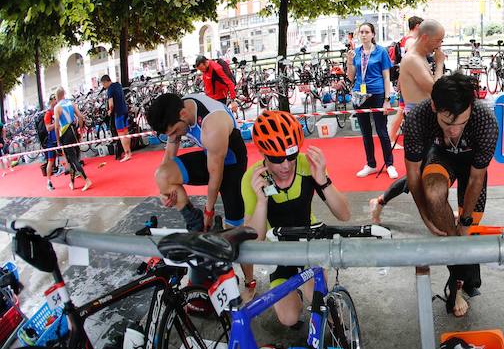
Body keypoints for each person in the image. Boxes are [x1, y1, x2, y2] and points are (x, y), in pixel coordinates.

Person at [403, 73, 499, 317]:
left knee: (467, 231)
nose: (455, 131)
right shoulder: (418, 117)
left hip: (471, 167)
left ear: (472, 108)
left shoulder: (485, 120)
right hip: (440, 156)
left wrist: (465, 221)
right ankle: (460, 278)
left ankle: (457, 281)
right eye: (447, 123)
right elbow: (413, 174)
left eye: (461, 123)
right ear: (435, 107)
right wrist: (425, 214)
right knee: (434, 196)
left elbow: (477, 178)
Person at [242, 111, 350, 326]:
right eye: (276, 159)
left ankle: (306, 291)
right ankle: (295, 295)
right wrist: (261, 202)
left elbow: (345, 214)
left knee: (320, 299)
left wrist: (323, 180)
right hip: (279, 251)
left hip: (308, 243)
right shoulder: (252, 179)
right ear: (263, 153)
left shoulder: (306, 164)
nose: (286, 166)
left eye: (291, 156)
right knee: (289, 318)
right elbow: (254, 242)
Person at [146, 92, 254, 296]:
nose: (175, 137)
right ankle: (194, 222)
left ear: (184, 114)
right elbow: (169, 156)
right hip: (209, 155)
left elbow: (216, 174)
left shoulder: (212, 124)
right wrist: (164, 188)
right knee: (162, 175)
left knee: (236, 230)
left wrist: (209, 210)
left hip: (232, 163)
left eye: (176, 131)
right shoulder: (178, 112)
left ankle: (250, 281)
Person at [370, 19, 447, 223]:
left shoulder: (421, 56)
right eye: (438, 40)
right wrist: (439, 63)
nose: (440, 45)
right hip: (418, 122)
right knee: (419, 173)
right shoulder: (413, 58)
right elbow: (436, 89)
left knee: (425, 171)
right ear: (424, 37)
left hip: (427, 119)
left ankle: (381, 201)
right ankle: (381, 201)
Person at [345, 22, 397, 179]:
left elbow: (387, 76)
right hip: (360, 95)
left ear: (373, 34)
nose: (364, 34)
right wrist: (349, 61)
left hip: (378, 94)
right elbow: (351, 76)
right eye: (361, 32)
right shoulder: (356, 52)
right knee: (365, 132)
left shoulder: (381, 51)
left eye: (367, 32)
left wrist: (387, 99)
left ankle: (389, 164)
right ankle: (371, 164)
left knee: (382, 131)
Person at [388, 16, 424, 148]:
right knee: (404, 109)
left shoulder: (405, 40)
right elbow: (411, 61)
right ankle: (392, 139)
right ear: (417, 26)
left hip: (406, 80)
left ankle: (391, 139)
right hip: (411, 82)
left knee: (402, 109)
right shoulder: (411, 41)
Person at [53, 87, 93, 192]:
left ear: (57, 96)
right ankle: (72, 182)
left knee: (72, 158)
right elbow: (80, 116)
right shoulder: (71, 103)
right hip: (73, 131)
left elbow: (57, 126)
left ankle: (87, 180)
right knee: (72, 158)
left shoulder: (57, 107)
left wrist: (58, 140)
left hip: (65, 133)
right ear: (64, 94)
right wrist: (80, 129)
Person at [100, 74, 132, 162]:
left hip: (119, 113)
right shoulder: (118, 85)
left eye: (103, 84)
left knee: (121, 134)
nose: (104, 86)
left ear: (105, 82)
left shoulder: (110, 90)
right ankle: (129, 152)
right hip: (125, 110)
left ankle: (127, 153)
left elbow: (111, 104)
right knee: (126, 132)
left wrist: (110, 112)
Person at [43, 95, 59, 190]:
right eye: (54, 99)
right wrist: (57, 123)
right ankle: (48, 181)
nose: (56, 101)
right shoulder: (48, 113)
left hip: (59, 137)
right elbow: (48, 127)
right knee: (50, 161)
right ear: (51, 101)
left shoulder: (58, 109)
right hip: (51, 140)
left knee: (67, 156)